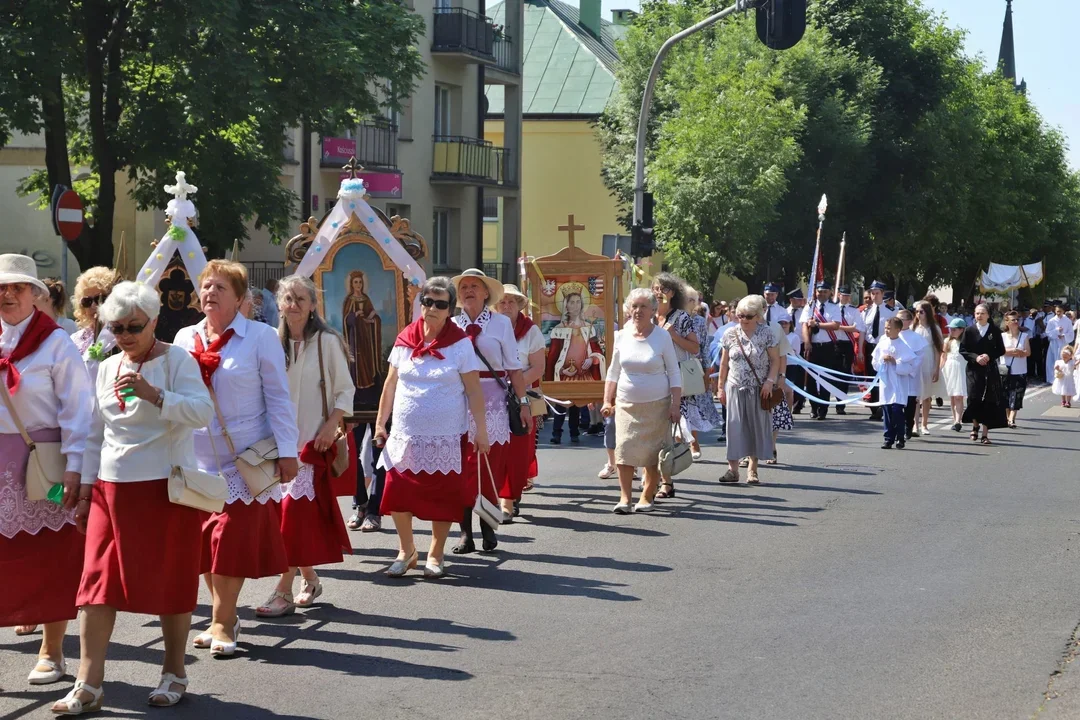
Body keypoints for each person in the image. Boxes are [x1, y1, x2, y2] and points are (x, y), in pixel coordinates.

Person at [52, 282, 213, 713]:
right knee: (96, 585)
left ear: (154, 321)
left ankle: (174, 671)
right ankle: (89, 684)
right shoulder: (105, 366)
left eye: (133, 327)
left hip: (164, 488)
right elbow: (94, 433)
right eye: (116, 327)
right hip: (110, 490)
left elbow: (203, 412)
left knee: (170, 580)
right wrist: (85, 490)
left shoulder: (177, 359)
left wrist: (155, 394)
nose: (124, 335)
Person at [174, 260, 299, 657]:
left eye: (220, 288)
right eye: (207, 286)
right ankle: (222, 612)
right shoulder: (183, 337)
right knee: (205, 546)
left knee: (228, 541)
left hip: (244, 460)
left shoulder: (260, 337)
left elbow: (279, 398)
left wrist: (288, 451)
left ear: (241, 299)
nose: (210, 292)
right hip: (194, 459)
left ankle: (222, 622)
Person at [0, 254, 92, 684]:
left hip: (46, 464)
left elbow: (78, 412)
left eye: (16, 287)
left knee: (52, 555)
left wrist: (76, 470)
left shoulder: (56, 343)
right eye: (1, 288)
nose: (7, 295)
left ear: (35, 295)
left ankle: (51, 652)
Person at [255, 275, 354, 619]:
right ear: (279, 305)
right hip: (274, 445)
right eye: (287, 298)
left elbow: (345, 390)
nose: (293, 304)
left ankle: (282, 590)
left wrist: (331, 425)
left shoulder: (326, 342)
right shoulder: (270, 341)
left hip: (311, 443)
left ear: (313, 304)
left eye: (300, 298)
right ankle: (309, 579)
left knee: (292, 520)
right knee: (286, 519)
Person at [375, 277, 488, 578]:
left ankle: (435, 553)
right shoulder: (405, 339)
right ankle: (406, 550)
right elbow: (390, 384)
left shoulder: (460, 344)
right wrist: (380, 423)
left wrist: (482, 431)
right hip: (405, 435)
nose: (432, 308)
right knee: (396, 492)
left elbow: (474, 391)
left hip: (446, 436)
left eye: (440, 304)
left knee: (442, 497)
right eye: (427, 302)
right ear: (421, 304)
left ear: (450, 309)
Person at [451, 269, 529, 554]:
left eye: (474, 286)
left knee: (490, 467)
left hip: (493, 402)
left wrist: (523, 404)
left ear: (486, 293)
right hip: (458, 402)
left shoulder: (500, 325)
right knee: (461, 469)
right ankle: (464, 534)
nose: (469, 290)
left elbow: (514, 368)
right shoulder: (450, 325)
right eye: (464, 287)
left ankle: (487, 526)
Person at [600, 288, 682, 513]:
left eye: (643, 306)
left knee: (651, 454)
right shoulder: (621, 335)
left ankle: (647, 495)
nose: (638, 311)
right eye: (634, 306)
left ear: (654, 310)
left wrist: (675, 405)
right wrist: (607, 401)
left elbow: (674, 373)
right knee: (624, 450)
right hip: (626, 405)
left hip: (657, 405)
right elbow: (613, 371)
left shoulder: (662, 336)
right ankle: (625, 498)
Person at [653, 273, 712, 495]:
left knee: (666, 431)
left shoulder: (682, 318)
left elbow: (694, 348)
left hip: (674, 380)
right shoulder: (647, 317)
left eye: (664, 289)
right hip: (651, 380)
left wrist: (674, 336)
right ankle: (652, 476)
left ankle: (665, 480)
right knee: (653, 431)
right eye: (656, 288)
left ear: (673, 294)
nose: (659, 293)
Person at [717, 295, 779, 485]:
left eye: (748, 316)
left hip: (759, 389)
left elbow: (776, 361)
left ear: (758, 316)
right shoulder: (729, 334)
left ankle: (752, 470)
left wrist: (770, 382)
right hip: (735, 386)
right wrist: (720, 387)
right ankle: (732, 470)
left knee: (755, 428)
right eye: (740, 315)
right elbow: (724, 363)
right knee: (734, 428)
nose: (743, 319)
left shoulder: (767, 333)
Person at [495, 284, 545, 521]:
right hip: (491, 396)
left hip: (522, 399)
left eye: (511, 302)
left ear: (519, 306)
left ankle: (510, 498)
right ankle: (500, 496)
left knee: (519, 449)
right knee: (496, 448)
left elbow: (538, 367)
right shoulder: (489, 328)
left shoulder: (530, 331)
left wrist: (515, 386)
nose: (506, 306)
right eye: (502, 302)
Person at [961, 304, 1007, 445]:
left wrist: (988, 355)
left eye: (982, 313)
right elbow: (963, 350)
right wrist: (976, 357)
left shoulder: (994, 330)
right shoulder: (969, 330)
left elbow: (1001, 350)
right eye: (977, 313)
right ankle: (975, 424)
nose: (979, 316)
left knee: (989, 400)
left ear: (988, 315)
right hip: (973, 369)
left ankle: (985, 434)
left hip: (989, 369)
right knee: (974, 398)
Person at [872, 317, 918, 450]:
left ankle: (900, 437)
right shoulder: (882, 343)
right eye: (885, 328)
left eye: (889, 328)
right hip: (886, 382)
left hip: (898, 383)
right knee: (887, 411)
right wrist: (882, 360)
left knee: (897, 410)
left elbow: (910, 366)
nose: (886, 330)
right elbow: (874, 362)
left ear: (897, 330)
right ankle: (888, 438)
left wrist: (895, 362)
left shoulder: (903, 346)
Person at [800, 282, 841, 420]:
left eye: (825, 291)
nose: (822, 294)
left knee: (825, 378)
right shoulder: (810, 306)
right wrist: (806, 341)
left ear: (829, 292)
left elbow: (835, 325)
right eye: (819, 291)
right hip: (813, 346)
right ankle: (813, 406)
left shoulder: (834, 307)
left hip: (828, 346)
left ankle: (823, 408)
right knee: (810, 378)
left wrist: (817, 324)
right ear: (816, 292)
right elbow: (804, 325)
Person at [70, 267, 119, 378]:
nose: (93, 306)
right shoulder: (75, 340)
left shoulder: (123, 335)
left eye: (100, 298)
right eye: (87, 301)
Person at [861, 281, 897, 421]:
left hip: (885, 347)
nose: (874, 296)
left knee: (885, 377)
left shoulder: (892, 311)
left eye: (877, 293)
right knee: (872, 377)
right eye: (872, 293)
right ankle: (875, 407)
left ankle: (884, 406)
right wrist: (859, 352)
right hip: (871, 346)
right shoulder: (866, 311)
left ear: (883, 294)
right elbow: (863, 332)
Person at [342, 270, 382, 393]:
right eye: (355, 282)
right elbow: (346, 320)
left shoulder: (366, 299)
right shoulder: (349, 300)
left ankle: (370, 388)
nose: (358, 284)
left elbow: (373, 315)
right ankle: (357, 391)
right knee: (357, 361)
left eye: (360, 282)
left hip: (367, 336)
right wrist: (355, 315)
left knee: (367, 359)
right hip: (355, 337)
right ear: (351, 284)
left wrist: (372, 320)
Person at [911, 301, 943, 436]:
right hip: (915, 363)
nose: (918, 314)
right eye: (917, 312)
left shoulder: (934, 328)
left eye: (921, 312)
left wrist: (936, 368)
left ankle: (924, 424)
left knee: (926, 396)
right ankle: (915, 425)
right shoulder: (913, 327)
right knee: (915, 395)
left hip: (928, 362)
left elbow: (938, 350)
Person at [833, 285, 865, 415]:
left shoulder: (854, 311)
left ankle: (841, 403)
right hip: (834, 343)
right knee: (834, 373)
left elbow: (856, 328)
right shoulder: (832, 308)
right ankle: (836, 398)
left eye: (847, 295)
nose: (845, 297)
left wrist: (838, 327)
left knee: (845, 372)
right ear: (839, 295)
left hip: (847, 344)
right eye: (843, 295)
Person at [1000, 311, 1030, 428]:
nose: (1016, 322)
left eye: (1017, 319)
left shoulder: (1024, 336)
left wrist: (1021, 352)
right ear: (1007, 322)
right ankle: (1008, 418)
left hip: (1020, 370)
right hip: (1005, 370)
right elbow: (1000, 351)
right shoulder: (1002, 336)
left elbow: (1028, 352)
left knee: (1017, 395)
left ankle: (1012, 418)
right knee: (1006, 396)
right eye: (1013, 320)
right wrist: (1013, 351)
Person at [940, 319, 969, 431]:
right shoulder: (947, 341)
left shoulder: (966, 342)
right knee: (952, 396)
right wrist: (939, 370)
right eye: (950, 329)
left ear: (962, 330)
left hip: (960, 369)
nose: (951, 331)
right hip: (949, 368)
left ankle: (958, 420)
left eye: (954, 329)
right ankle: (955, 419)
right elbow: (943, 357)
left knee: (958, 395)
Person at [1044, 303, 1074, 383]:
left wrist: (1064, 335)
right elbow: (1047, 332)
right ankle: (1052, 378)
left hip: (1063, 344)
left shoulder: (1067, 321)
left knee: (1063, 360)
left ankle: (1064, 377)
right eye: (1057, 311)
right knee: (1052, 361)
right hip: (1054, 343)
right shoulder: (1052, 321)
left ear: (1063, 311)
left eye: (1060, 311)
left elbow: (1071, 333)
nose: (1058, 313)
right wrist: (1056, 331)